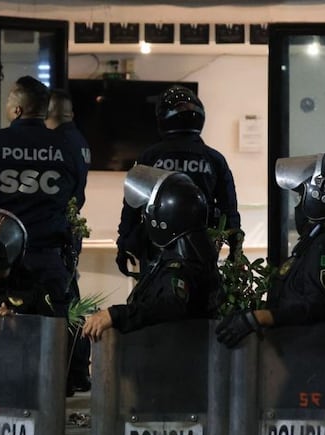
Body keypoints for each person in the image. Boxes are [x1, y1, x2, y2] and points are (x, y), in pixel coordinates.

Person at [0, 76, 86, 319]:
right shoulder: (67, 147)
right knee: (52, 333)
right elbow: (76, 201)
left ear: (17, 110)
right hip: (49, 259)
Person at [215, 153, 325, 347]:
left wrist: (262, 317)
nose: (298, 206)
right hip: (306, 353)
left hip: (316, 354)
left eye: (301, 196)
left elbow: (317, 307)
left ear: (320, 199)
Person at [83, 165, 221, 341]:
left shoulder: (181, 267)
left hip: (173, 356)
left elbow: (169, 306)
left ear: (163, 219)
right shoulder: (192, 257)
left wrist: (115, 315)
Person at [116, 85, 240, 276]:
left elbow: (132, 205)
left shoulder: (150, 156)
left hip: (156, 247)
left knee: (155, 293)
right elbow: (228, 208)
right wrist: (235, 247)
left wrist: (123, 244)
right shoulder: (214, 159)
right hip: (202, 247)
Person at [46, 88, 93, 394]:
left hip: (58, 232)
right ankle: (77, 370)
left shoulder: (60, 143)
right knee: (71, 300)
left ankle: (71, 371)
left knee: (62, 304)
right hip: (69, 231)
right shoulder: (79, 141)